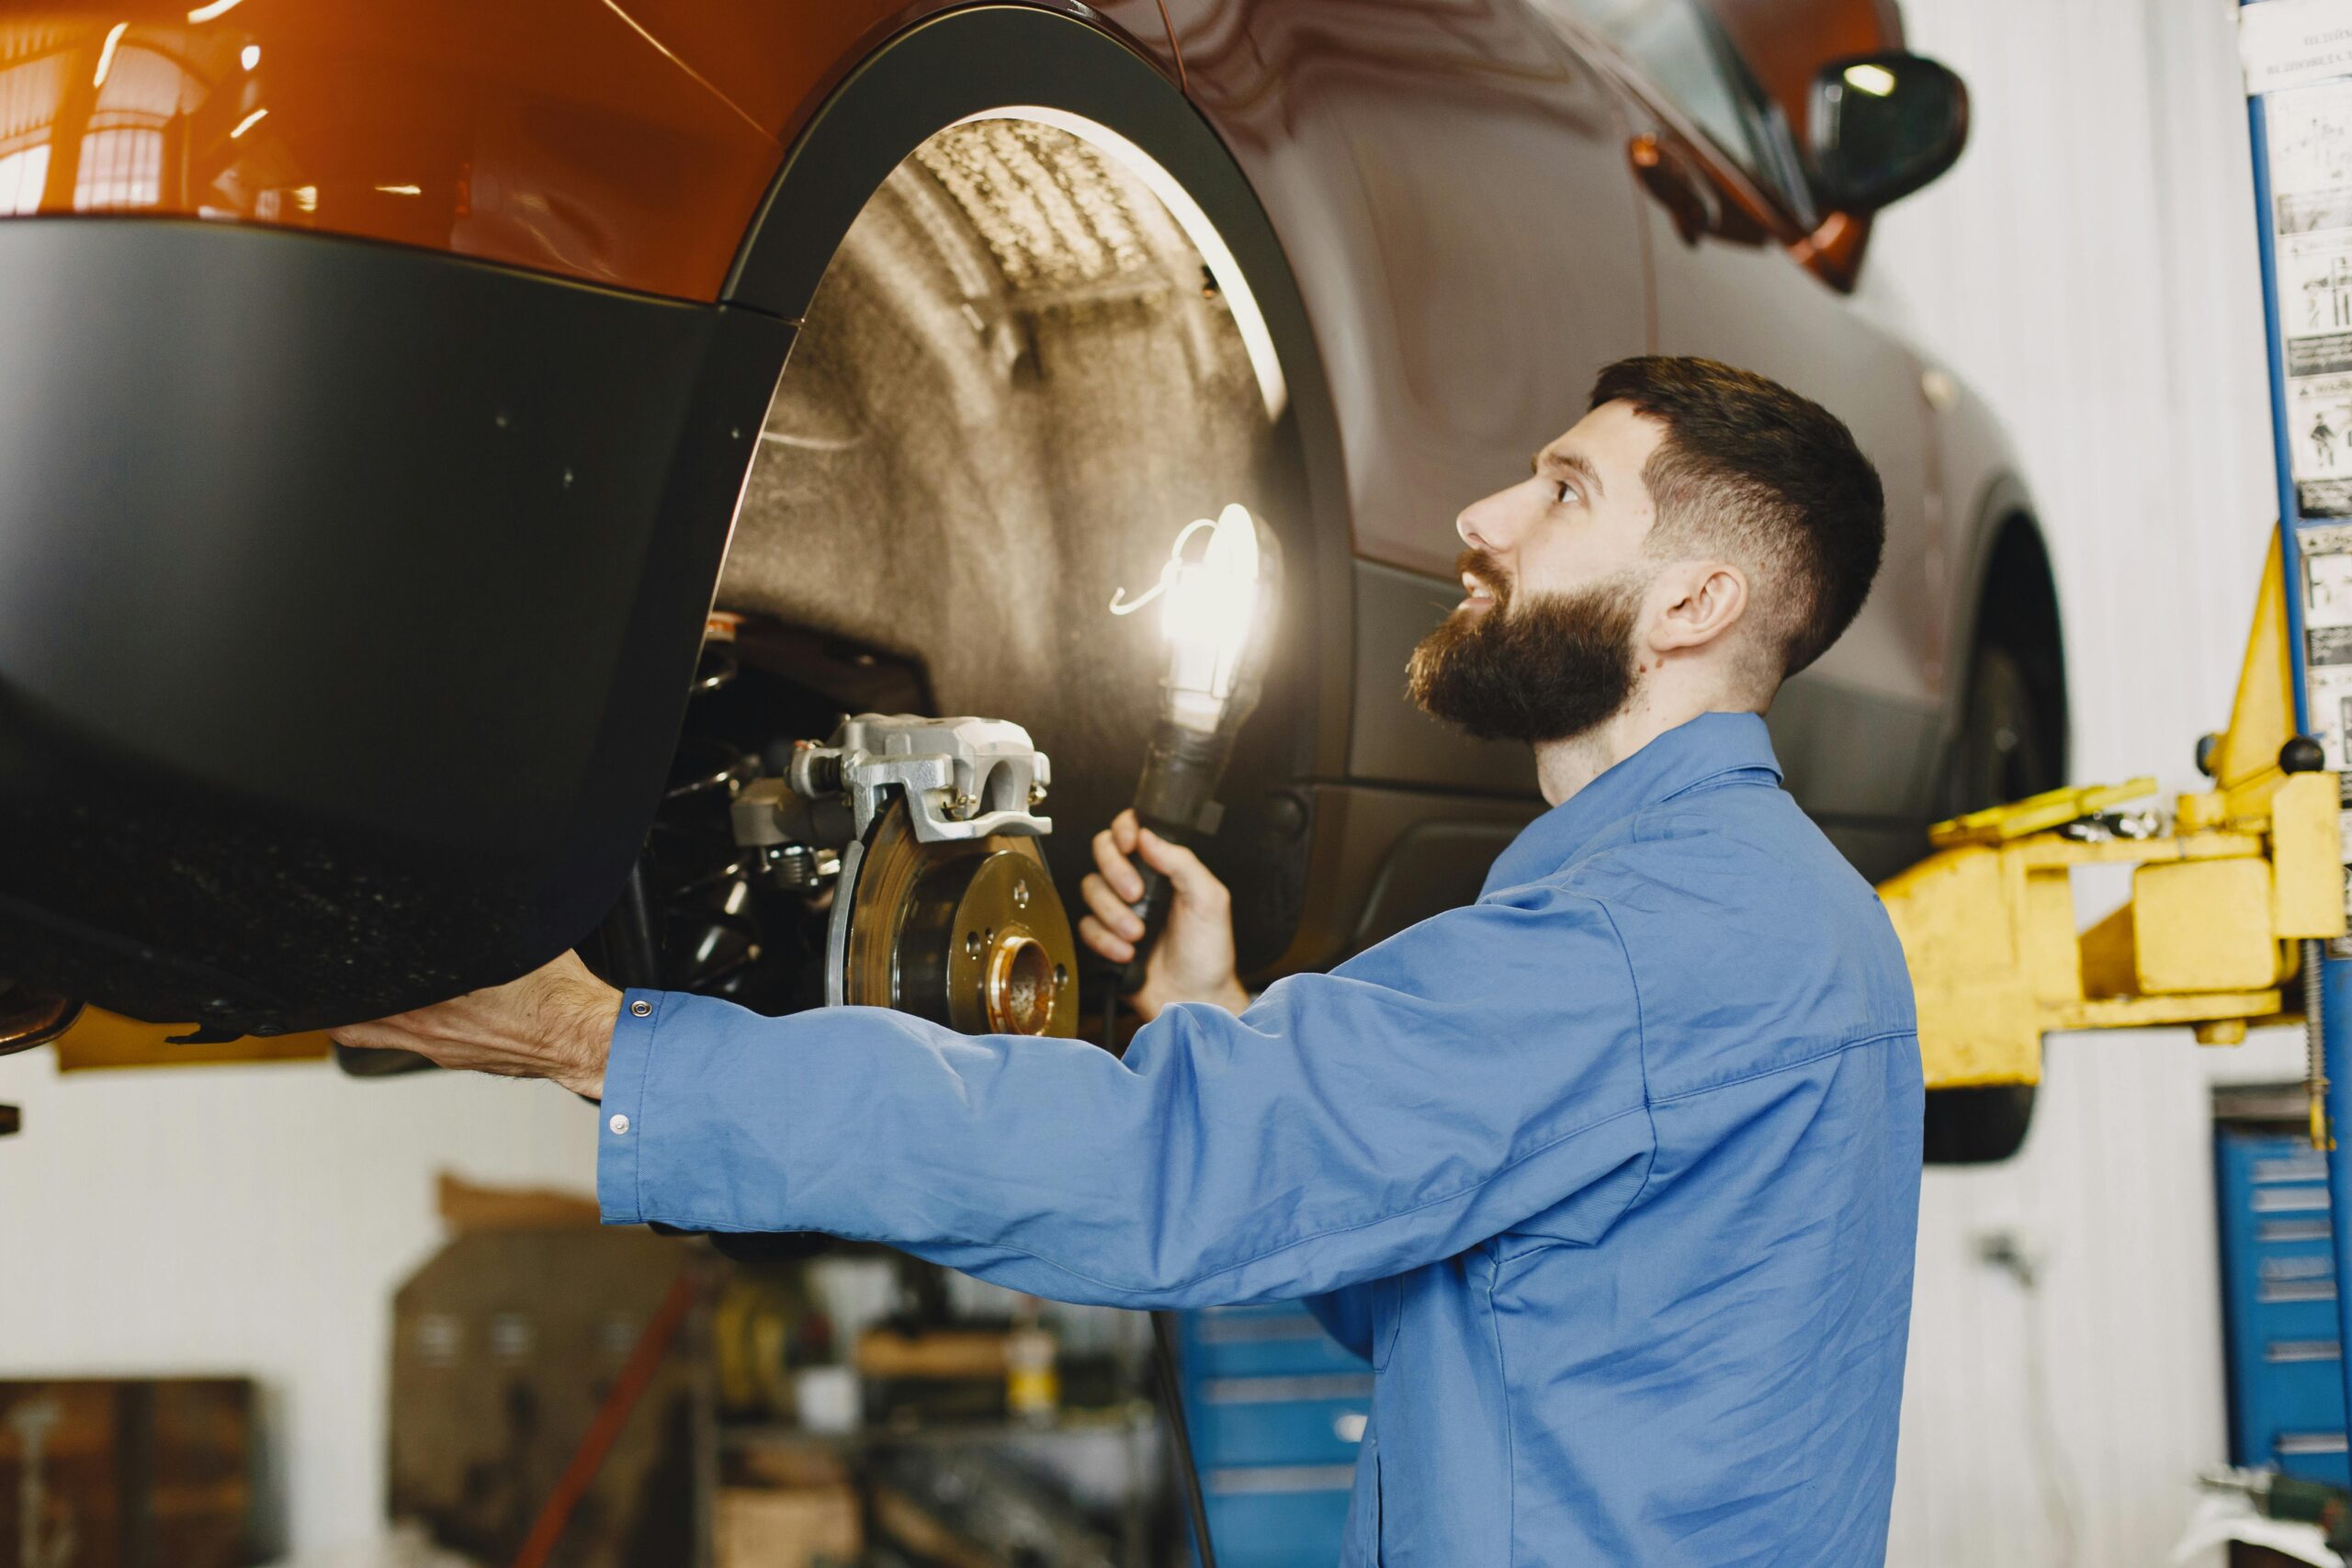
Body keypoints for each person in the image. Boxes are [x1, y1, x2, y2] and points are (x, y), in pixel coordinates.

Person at [337, 355, 1923, 1565]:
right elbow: (1442, 1297)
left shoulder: (1647, 944)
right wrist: (1219, 1014)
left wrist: (599, 1042)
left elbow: (1168, 1171)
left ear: (1694, 602)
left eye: (1566, 493)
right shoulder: (1755, 920)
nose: (1483, 519)